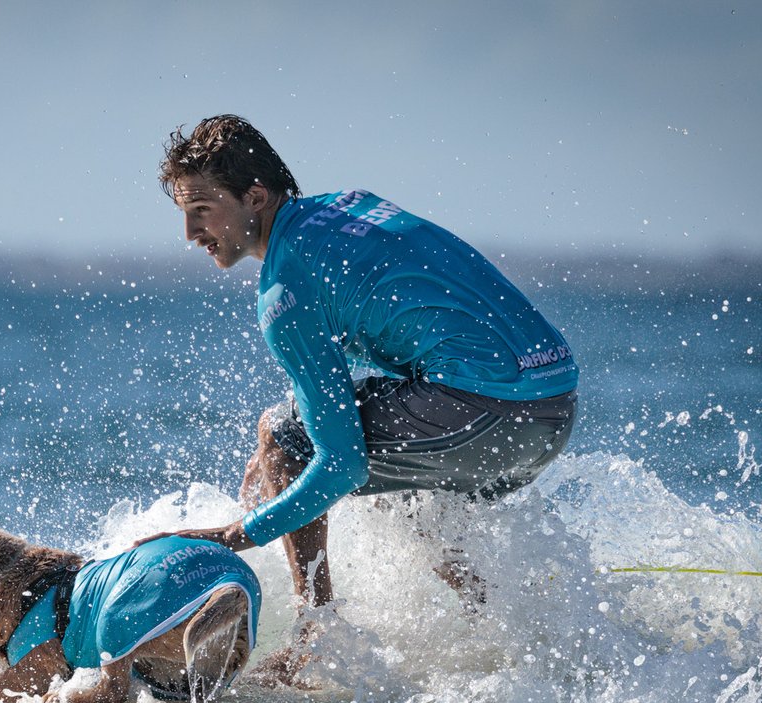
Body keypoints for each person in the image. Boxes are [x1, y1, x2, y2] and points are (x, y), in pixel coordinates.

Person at [145, 114, 578, 648]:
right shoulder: (351, 206)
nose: (191, 235)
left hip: (480, 414)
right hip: (552, 409)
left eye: (201, 211)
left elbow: (341, 464)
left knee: (286, 439)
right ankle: (504, 619)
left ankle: (315, 636)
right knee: (384, 467)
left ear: (254, 197)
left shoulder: (285, 292)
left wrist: (236, 534)